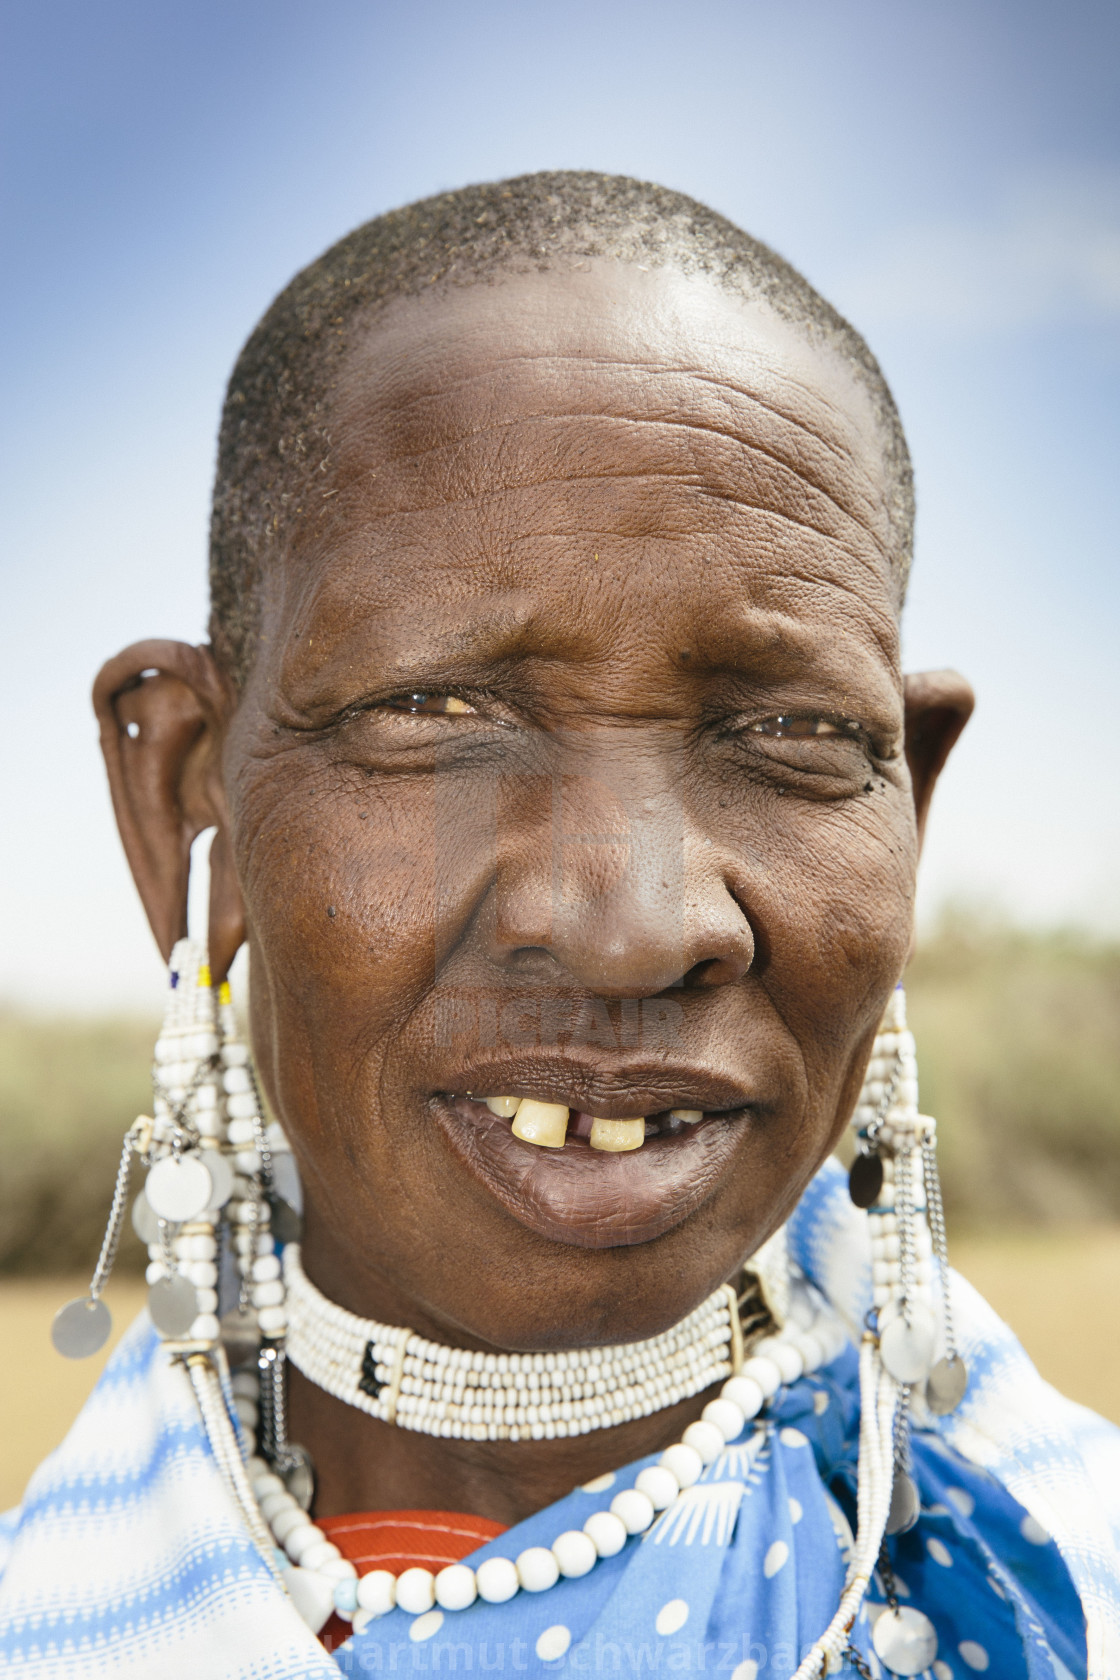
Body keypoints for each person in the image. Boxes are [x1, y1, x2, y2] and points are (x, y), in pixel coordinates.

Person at [1, 172, 1116, 1680]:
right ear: (190, 805)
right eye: (437, 710)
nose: (633, 926)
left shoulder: (1056, 1589)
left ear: (906, 806)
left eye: (787, 731)